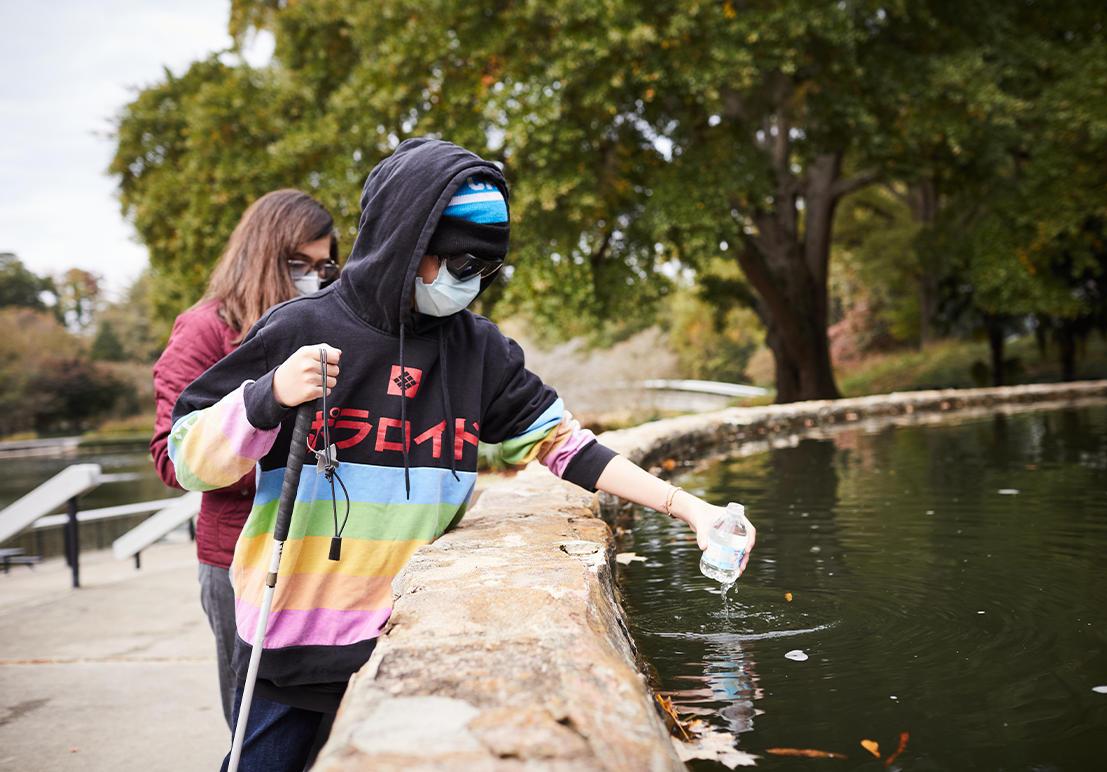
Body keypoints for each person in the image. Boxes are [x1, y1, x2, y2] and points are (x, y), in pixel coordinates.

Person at [166, 139, 756, 771]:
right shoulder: (297, 329)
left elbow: (566, 445)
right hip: (289, 641)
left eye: (484, 268)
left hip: (403, 638)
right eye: (457, 261)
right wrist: (268, 397)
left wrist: (690, 508)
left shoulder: (481, 352)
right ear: (404, 242)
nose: (467, 282)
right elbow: (188, 459)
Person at [150, 189, 339, 727]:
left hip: (318, 557)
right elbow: (171, 456)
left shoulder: (319, 322)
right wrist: (263, 428)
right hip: (236, 556)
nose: (313, 277)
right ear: (262, 254)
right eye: (298, 263)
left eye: (324, 267)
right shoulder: (207, 328)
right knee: (256, 725)